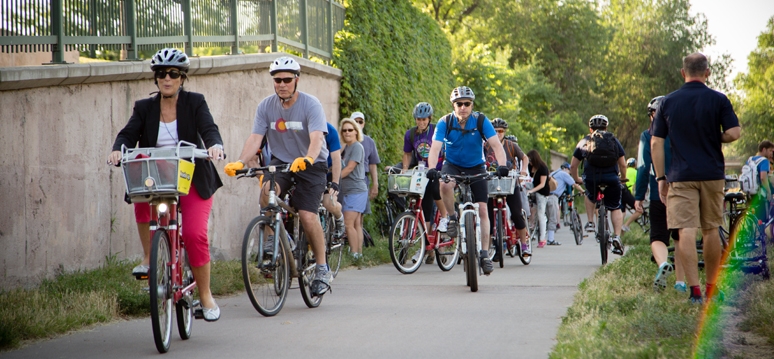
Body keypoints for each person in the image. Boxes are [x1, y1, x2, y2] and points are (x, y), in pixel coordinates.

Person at [107, 48, 225, 321]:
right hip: (158, 175)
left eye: (173, 74)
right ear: (156, 79)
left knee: (195, 234)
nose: (167, 79)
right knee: (138, 194)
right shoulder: (144, 107)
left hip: (192, 175)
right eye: (161, 75)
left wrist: (215, 145)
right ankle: (150, 257)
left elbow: (208, 128)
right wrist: (118, 149)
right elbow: (128, 133)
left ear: (182, 78)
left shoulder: (195, 102)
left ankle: (205, 295)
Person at [224, 56, 333, 297]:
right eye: (277, 80)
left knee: (306, 214)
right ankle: (275, 242)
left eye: (286, 79)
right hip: (281, 162)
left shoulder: (311, 104)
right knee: (266, 196)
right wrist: (241, 161)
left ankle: (323, 267)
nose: (281, 84)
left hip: (311, 163)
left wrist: (308, 158)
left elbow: (317, 138)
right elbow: (255, 138)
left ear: (296, 79)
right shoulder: (265, 106)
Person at [651, 52, 741, 304]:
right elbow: (734, 133)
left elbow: (657, 142)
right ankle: (712, 287)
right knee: (711, 229)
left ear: (683, 72)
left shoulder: (668, 103)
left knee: (686, 230)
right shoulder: (718, 100)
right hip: (712, 174)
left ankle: (695, 291)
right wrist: (716, 137)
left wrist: (661, 178)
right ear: (707, 72)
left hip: (681, 176)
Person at [427, 86, 509, 275]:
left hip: (476, 166)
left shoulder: (481, 121)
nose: (463, 107)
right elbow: (435, 148)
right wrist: (432, 168)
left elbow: (496, 144)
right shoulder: (444, 122)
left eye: (467, 104)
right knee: (444, 185)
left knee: (482, 209)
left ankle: (484, 255)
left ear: (472, 105)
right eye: (459, 104)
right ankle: (453, 218)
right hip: (453, 165)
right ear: (453, 105)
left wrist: (502, 165)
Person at [635, 96, 685, 292]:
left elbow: (642, 166)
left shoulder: (648, 136)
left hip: (658, 192)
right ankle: (681, 283)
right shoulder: (681, 133)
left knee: (658, 235)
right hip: (681, 189)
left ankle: (663, 263)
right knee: (680, 236)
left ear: (651, 115)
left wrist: (638, 196)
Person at [569, 114, 627, 256]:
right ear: (606, 127)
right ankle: (617, 236)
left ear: (590, 129)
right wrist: (623, 178)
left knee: (590, 194)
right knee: (615, 206)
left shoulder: (585, 141)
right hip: (612, 178)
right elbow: (623, 164)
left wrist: (577, 179)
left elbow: (573, 166)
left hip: (591, 178)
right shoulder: (613, 140)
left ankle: (590, 222)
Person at [402, 102, 449, 264]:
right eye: (418, 119)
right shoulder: (411, 134)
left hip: (439, 169)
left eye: (424, 119)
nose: (421, 122)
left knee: (436, 190)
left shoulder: (437, 131)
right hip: (423, 171)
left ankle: (445, 216)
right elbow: (407, 154)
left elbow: (448, 148)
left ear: (429, 119)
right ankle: (425, 246)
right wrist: (405, 169)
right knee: (424, 208)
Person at [485, 118, 531, 256]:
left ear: (504, 132)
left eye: (500, 131)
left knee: (517, 213)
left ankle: (524, 245)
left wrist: (523, 170)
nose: (498, 134)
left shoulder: (511, 145)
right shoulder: (486, 146)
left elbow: (524, 158)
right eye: (495, 131)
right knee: (487, 217)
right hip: (492, 183)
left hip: (510, 183)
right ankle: (486, 248)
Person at [338, 118, 369, 261]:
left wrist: (334, 180)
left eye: (350, 130)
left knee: (348, 224)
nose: (347, 133)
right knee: (356, 224)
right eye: (344, 130)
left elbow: (349, 168)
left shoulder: (357, 147)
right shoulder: (347, 147)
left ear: (356, 132)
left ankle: (354, 254)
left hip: (356, 190)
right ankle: (359, 254)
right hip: (351, 190)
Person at [350, 111, 381, 218]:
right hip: (347, 179)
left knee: (359, 216)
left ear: (363, 124)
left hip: (363, 180)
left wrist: (375, 184)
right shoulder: (345, 140)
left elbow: (373, 165)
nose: (358, 123)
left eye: (360, 121)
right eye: (355, 121)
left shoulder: (369, 142)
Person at [526, 150, 555, 247]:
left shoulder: (543, 168)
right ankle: (530, 223)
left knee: (541, 214)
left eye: (530, 160)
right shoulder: (530, 166)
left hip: (542, 192)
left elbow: (542, 184)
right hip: (533, 187)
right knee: (523, 188)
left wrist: (532, 191)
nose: (529, 162)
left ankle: (542, 239)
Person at [323, 122, 346, 238]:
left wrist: (335, 182)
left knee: (329, 203)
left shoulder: (330, 130)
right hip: (311, 173)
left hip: (330, 172)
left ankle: (339, 219)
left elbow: (336, 159)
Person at [550, 163, 585, 237]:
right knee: (553, 217)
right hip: (553, 196)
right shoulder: (564, 174)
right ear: (566, 169)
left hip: (546, 195)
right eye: (570, 171)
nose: (570, 173)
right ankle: (550, 238)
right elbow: (575, 184)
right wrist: (582, 191)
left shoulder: (553, 173)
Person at [621, 158, 642, 231]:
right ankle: (626, 225)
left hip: (620, 191)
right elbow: (640, 184)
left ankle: (619, 232)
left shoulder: (624, 171)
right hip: (627, 192)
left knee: (622, 211)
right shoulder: (636, 172)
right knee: (639, 210)